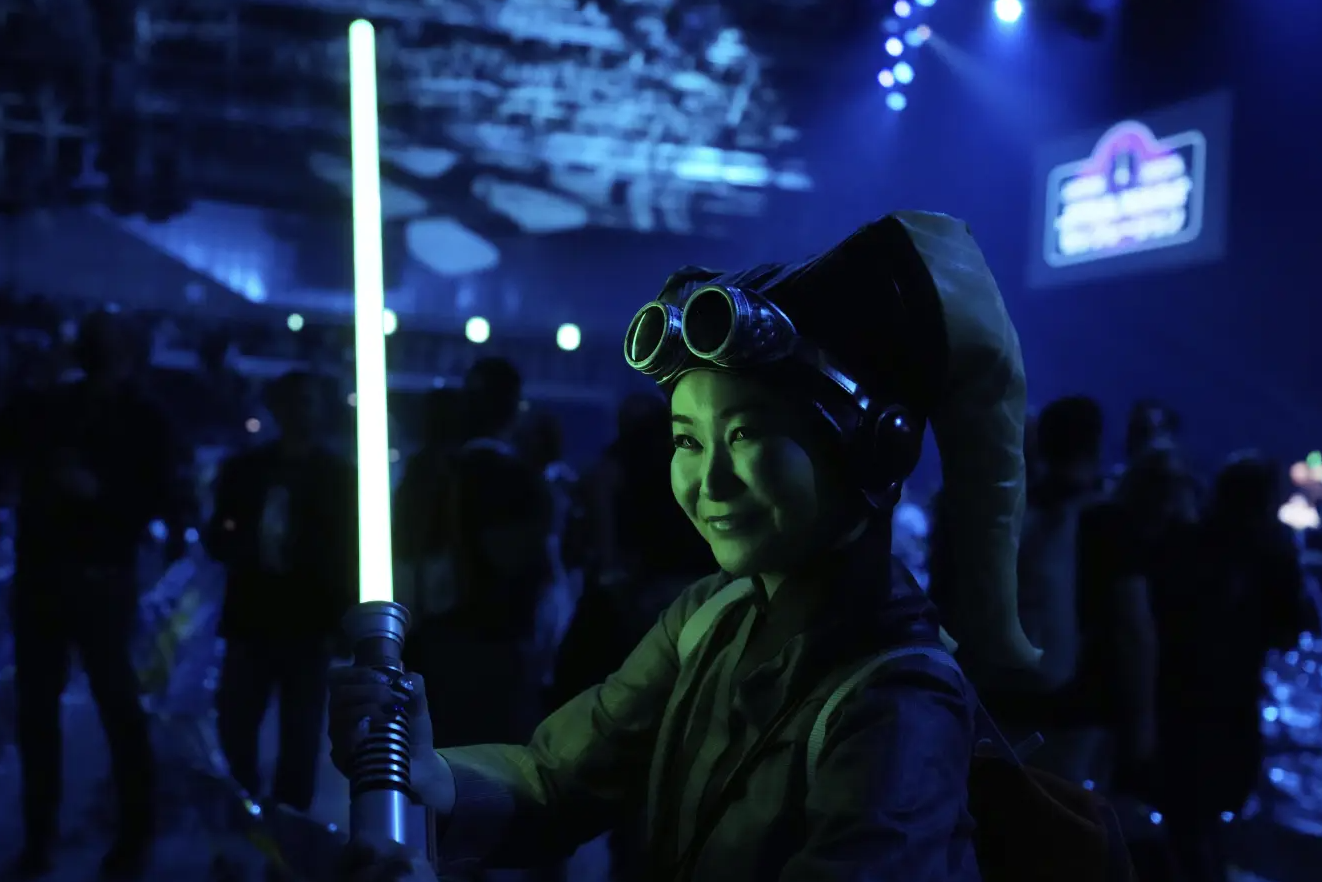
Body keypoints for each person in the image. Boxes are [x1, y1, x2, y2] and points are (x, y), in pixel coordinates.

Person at [330, 212, 1041, 882]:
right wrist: (430, 773)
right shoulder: (710, 617)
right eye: (687, 441)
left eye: (746, 435)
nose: (711, 482)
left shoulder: (898, 703)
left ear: (878, 448)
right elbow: (558, 778)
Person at [0, 310, 180, 879]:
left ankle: (109, 837)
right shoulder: (57, 407)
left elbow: (157, 497)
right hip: (61, 575)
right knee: (68, 711)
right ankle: (67, 837)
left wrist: (98, 495)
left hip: (88, 575)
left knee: (103, 708)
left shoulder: (135, 418)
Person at [205, 370, 358, 815]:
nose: (298, 412)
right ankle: (250, 820)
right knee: (242, 730)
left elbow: (347, 552)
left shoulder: (335, 476)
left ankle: (280, 829)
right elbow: (219, 535)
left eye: (305, 402)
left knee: (298, 738)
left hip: (304, 624)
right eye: (292, 402)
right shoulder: (248, 471)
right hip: (256, 619)